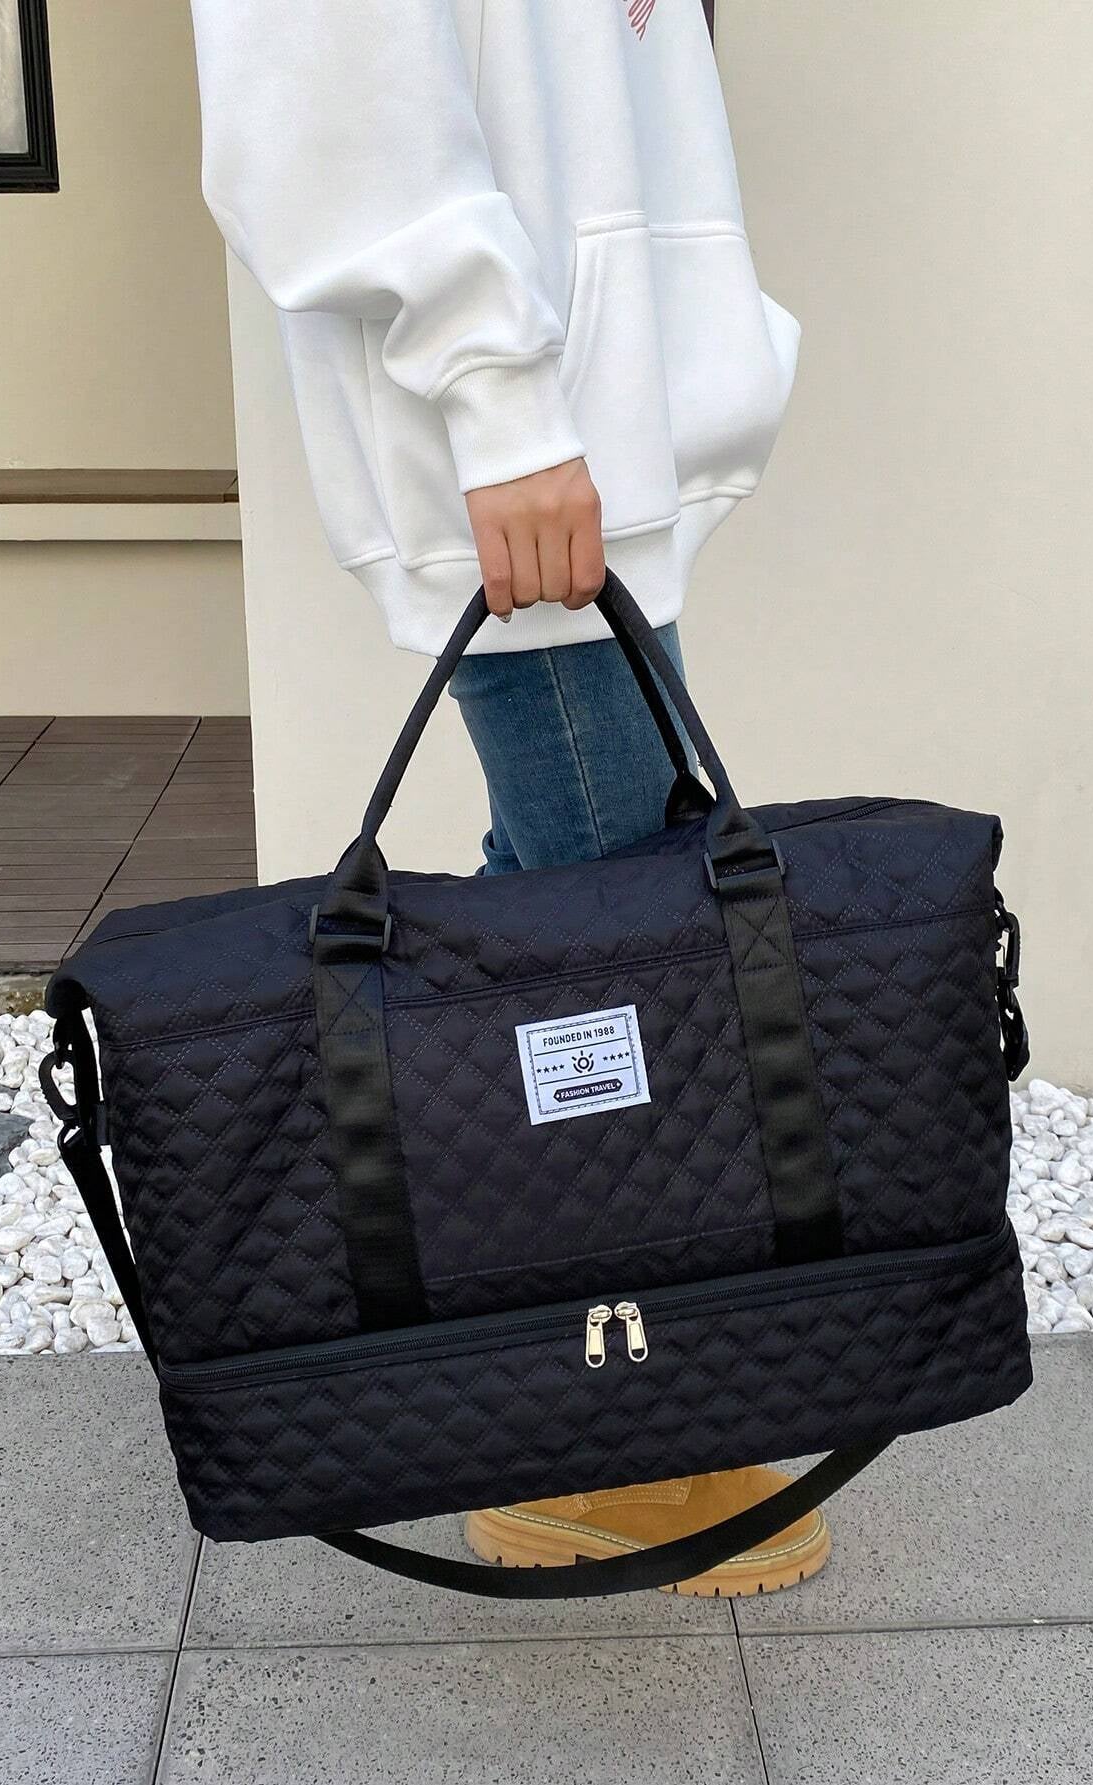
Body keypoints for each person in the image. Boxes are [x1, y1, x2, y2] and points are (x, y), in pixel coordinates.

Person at [188, 0, 828, 1594]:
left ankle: (530, 1361)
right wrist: (501, 395)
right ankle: (591, 1444)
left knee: (570, 924)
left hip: (588, 419)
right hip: (529, 436)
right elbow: (321, 79)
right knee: (607, 935)